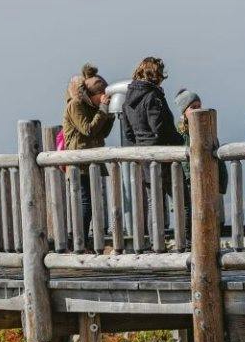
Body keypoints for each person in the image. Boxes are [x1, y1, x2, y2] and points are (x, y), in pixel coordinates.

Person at [62, 64, 114, 243]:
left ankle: (83, 239)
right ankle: (79, 241)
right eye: (102, 95)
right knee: (84, 204)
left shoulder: (92, 106)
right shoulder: (75, 105)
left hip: (92, 162)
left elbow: (102, 133)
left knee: (92, 203)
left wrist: (109, 115)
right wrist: (102, 111)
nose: (105, 98)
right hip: (79, 163)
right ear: (94, 95)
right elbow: (88, 130)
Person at [120, 57, 181, 146]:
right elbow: (159, 127)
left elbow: (128, 133)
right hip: (159, 152)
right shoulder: (153, 96)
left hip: (139, 152)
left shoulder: (128, 98)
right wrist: (179, 141)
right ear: (157, 76)